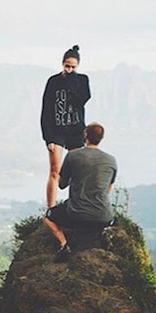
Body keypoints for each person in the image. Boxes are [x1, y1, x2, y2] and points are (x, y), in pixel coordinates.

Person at [44, 122, 117, 262]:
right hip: (104, 217)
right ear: (101, 138)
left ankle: (64, 245)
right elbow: (108, 189)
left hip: (77, 215)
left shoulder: (73, 156)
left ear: (85, 135)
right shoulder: (111, 160)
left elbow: (61, 184)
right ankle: (101, 235)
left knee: (48, 217)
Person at [41, 45, 91, 209]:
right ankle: (51, 207)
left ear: (78, 66)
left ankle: (75, 205)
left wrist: (71, 82)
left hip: (76, 131)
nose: (69, 69)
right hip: (56, 132)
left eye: (73, 67)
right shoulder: (53, 81)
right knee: (55, 170)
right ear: (62, 64)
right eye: (67, 66)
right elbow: (46, 109)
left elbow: (81, 100)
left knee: (76, 171)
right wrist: (48, 137)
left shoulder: (82, 80)